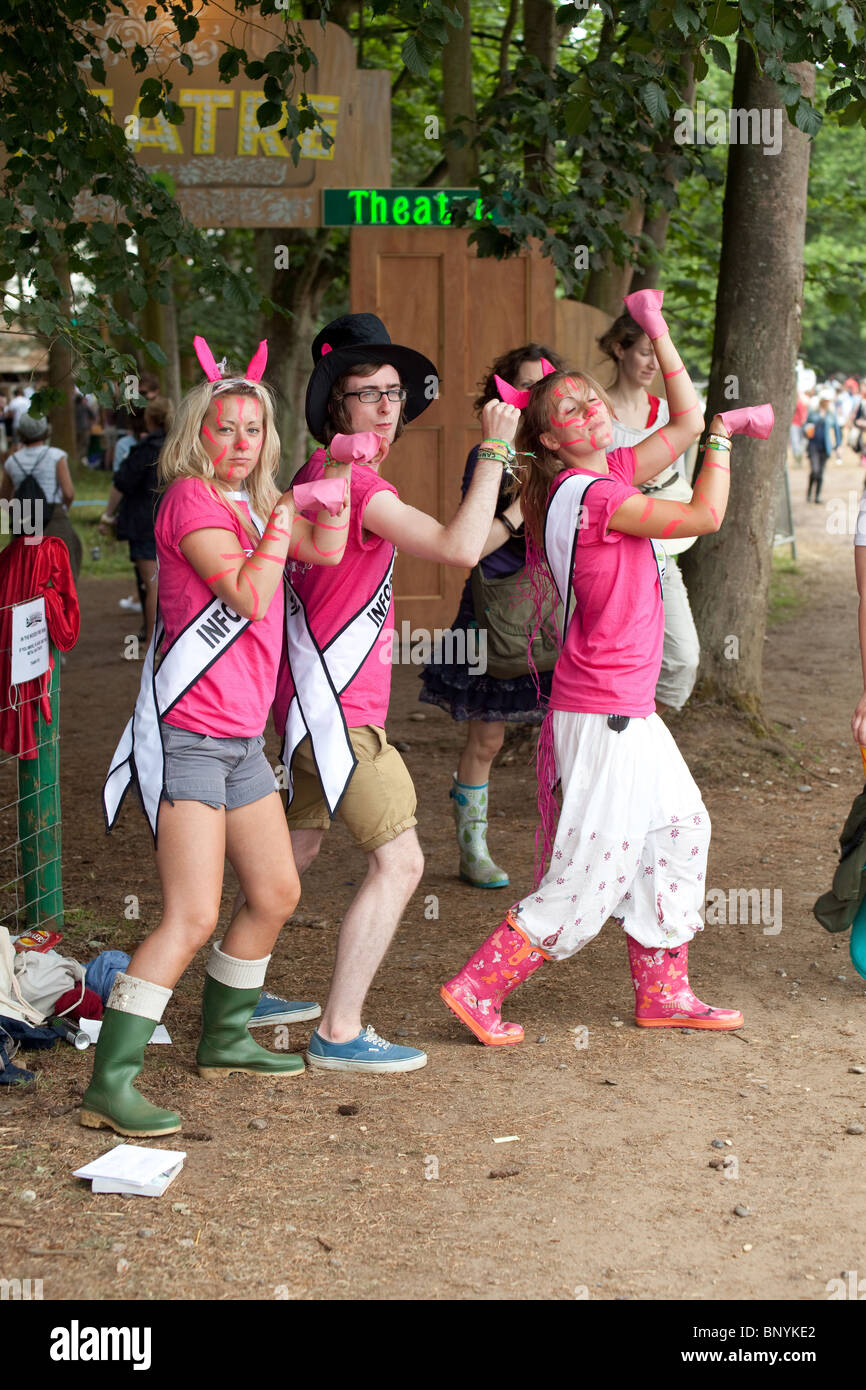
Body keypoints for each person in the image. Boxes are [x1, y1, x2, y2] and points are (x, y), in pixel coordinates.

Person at [440, 289, 774, 1045]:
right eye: (568, 411)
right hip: (603, 711)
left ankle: (664, 990)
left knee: (682, 827)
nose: (588, 410)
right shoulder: (592, 495)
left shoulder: (607, 470)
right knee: (591, 871)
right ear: (551, 441)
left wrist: (658, 327)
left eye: (589, 398)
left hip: (627, 706)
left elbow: (681, 421)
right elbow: (702, 515)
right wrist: (722, 441)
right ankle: (477, 987)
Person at [82, 338, 353, 1137]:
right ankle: (111, 1082)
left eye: (254, 430)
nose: (241, 443)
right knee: (190, 914)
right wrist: (281, 518)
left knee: (275, 892)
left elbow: (324, 552)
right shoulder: (193, 502)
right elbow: (246, 594)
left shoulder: (247, 505)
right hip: (191, 735)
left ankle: (226, 1037)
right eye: (225, 428)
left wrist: (329, 497)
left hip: (242, 738)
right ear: (197, 434)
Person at [264, 312, 516, 1074]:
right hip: (340, 715)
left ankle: (235, 988)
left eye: (393, 392)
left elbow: (463, 541)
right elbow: (456, 547)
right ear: (334, 407)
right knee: (401, 864)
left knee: (297, 850)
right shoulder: (361, 487)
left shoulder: (321, 475)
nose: (383, 406)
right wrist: (497, 450)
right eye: (364, 393)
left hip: (307, 708)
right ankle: (340, 1032)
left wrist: (507, 517)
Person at [419, 343, 565, 888]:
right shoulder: (490, 456)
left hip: (561, 610)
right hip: (498, 610)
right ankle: (472, 850)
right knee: (487, 740)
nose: (535, 401)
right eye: (523, 390)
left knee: (570, 739)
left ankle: (572, 857)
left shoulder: (573, 453)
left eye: (546, 388)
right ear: (503, 396)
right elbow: (473, 545)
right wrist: (520, 504)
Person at [598, 311, 700, 713]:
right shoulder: (595, 411)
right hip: (606, 556)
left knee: (683, 656)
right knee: (610, 659)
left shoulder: (671, 414)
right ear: (619, 349)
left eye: (659, 353)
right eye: (644, 352)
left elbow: (683, 487)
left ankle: (642, 728)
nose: (653, 364)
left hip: (658, 554)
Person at [103, 397, 173, 646]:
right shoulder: (178, 447)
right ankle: (161, 633)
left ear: (150, 420)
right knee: (167, 581)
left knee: (151, 584)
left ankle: (156, 640)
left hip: (145, 524)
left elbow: (122, 482)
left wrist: (107, 515)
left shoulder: (145, 449)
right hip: (173, 521)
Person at [0, 412, 82, 580]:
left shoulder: (11, 461)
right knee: (62, 569)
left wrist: (17, 514)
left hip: (24, 520)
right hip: (53, 517)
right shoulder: (56, 455)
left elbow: (4, 499)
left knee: (25, 572)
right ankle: (58, 606)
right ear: (46, 431)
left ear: (20, 433)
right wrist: (63, 509)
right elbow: (68, 492)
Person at [805, 395, 835, 502]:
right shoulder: (814, 413)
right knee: (815, 470)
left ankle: (817, 496)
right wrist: (820, 418)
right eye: (825, 401)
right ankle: (809, 493)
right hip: (813, 445)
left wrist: (838, 445)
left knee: (821, 473)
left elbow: (836, 429)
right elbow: (806, 426)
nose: (827, 403)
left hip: (825, 447)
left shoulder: (831, 414)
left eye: (828, 401)